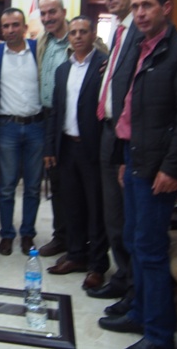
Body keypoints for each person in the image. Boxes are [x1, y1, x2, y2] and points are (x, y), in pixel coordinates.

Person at [98, 0, 177, 349]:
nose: (140, 13)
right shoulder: (141, 48)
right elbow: (132, 110)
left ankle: (159, 336)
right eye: (135, 7)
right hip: (135, 158)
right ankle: (139, 313)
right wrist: (123, 158)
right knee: (134, 239)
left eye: (147, 5)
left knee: (150, 248)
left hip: (160, 168)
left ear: (166, 8)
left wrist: (173, 170)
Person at [89, 0, 141, 314]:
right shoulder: (120, 32)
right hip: (109, 132)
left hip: (129, 137)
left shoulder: (140, 31)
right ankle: (122, 278)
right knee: (114, 215)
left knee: (129, 218)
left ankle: (134, 292)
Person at [44, 16, 109, 290]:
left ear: (93, 34)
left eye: (83, 32)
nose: (78, 36)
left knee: (96, 209)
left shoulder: (104, 65)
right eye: (73, 33)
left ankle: (97, 265)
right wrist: (50, 146)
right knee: (71, 206)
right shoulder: (63, 69)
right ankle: (75, 255)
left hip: (93, 148)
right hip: (67, 147)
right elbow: (55, 111)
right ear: (68, 37)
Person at [0, 7, 45, 256]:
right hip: (7, 128)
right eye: (6, 26)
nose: (10, 30)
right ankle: (6, 234)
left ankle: (28, 234)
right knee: (7, 186)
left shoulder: (38, 49)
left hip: (36, 126)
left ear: (24, 27)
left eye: (15, 25)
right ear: (1, 29)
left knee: (33, 186)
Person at [35, 0, 70, 258]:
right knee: (56, 181)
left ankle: (80, 240)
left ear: (63, 12)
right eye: (43, 13)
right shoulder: (41, 41)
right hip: (47, 119)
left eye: (52, 12)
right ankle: (61, 237)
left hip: (71, 120)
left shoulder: (82, 39)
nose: (47, 18)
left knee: (75, 184)